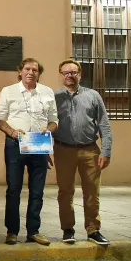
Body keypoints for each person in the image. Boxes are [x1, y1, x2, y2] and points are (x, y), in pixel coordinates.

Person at [0, 57, 58, 246]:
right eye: (27, 69)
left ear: (39, 73)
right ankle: (12, 231)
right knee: (13, 190)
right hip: (15, 144)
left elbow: (54, 119)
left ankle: (33, 231)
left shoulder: (47, 92)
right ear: (20, 71)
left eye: (35, 70)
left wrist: (50, 130)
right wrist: (12, 132)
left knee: (37, 191)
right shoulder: (9, 91)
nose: (31, 72)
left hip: (39, 145)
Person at [54, 59, 112, 246]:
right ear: (61, 75)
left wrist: (106, 150)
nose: (69, 76)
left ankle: (93, 230)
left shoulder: (93, 96)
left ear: (80, 73)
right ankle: (68, 229)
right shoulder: (54, 97)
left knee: (92, 192)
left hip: (90, 150)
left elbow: (104, 124)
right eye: (65, 72)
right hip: (63, 149)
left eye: (73, 72)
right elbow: (45, 124)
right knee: (65, 192)